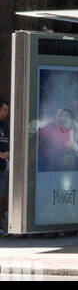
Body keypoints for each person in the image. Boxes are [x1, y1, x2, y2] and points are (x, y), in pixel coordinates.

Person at [0, 99, 9, 234]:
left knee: (2, 195)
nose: (7, 113)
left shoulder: (6, 126)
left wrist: (8, 153)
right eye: (4, 110)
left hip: (3, 166)